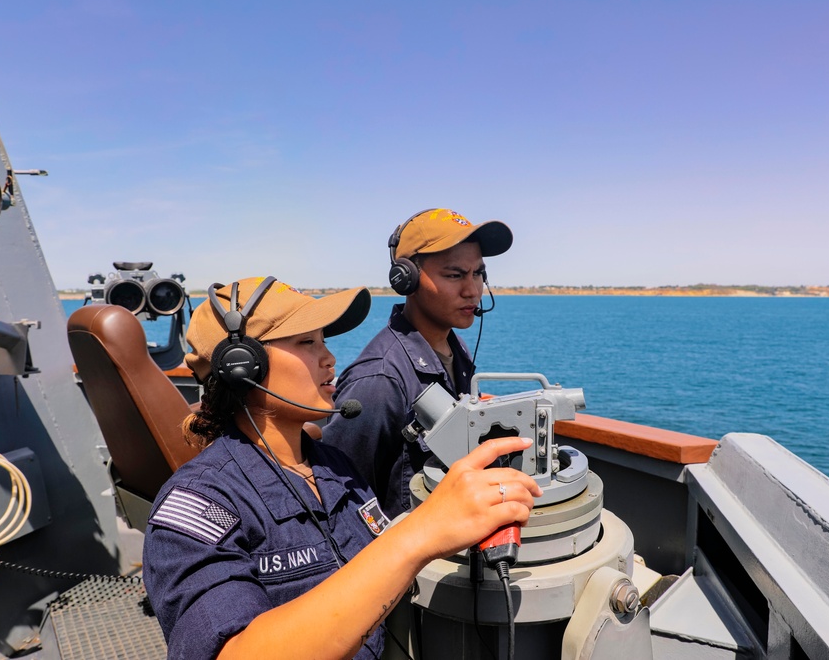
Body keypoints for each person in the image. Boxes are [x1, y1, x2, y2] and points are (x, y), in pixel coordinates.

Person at [142, 275, 539, 660]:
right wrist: (421, 532)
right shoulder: (199, 506)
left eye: (324, 341)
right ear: (243, 366)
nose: (329, 358)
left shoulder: (333, 467)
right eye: (306, 342)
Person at [321, 208, 513, 520]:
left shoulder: (455, 349)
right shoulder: (379, 380)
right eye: (454, 275)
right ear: (406, 279)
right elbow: (339, 503)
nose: (472, 290)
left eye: (478, 273)